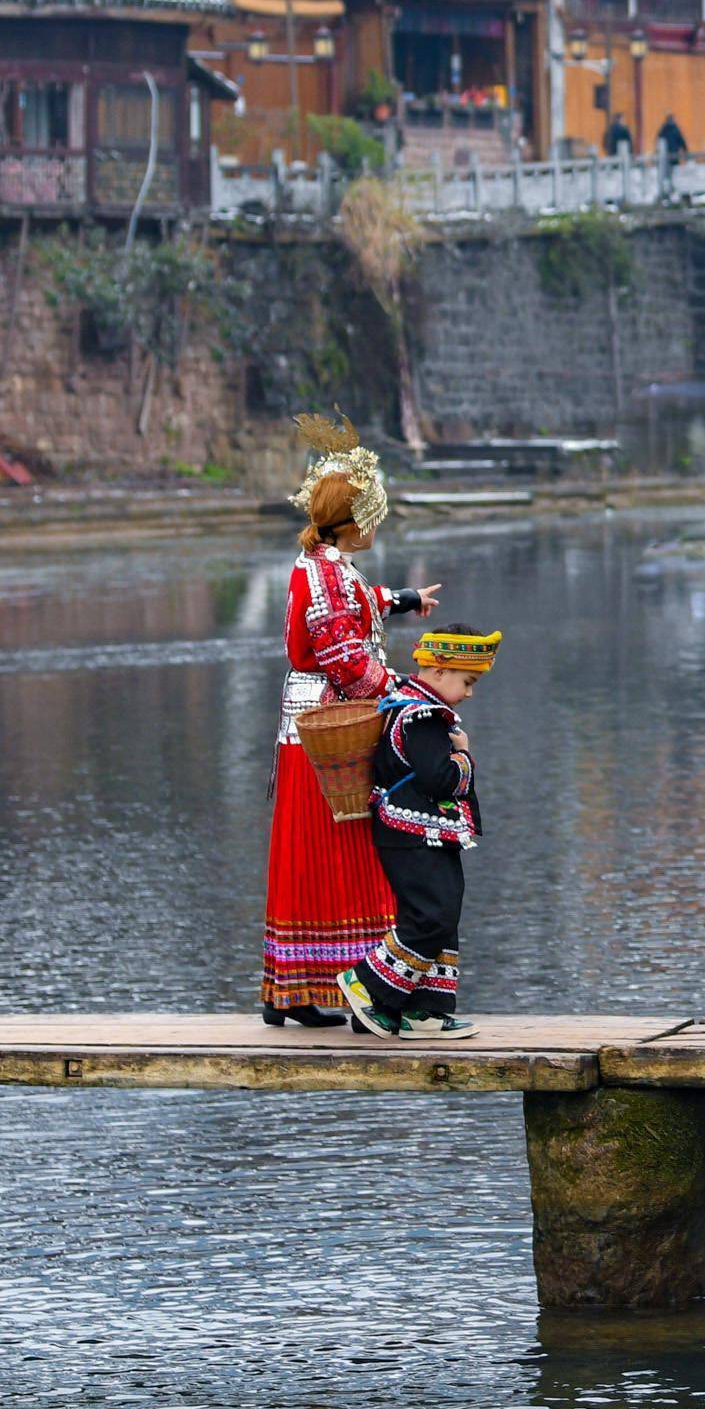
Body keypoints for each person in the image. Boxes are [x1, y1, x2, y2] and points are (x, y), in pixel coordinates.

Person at [261, 418, 436, 1027]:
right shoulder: (327, 572)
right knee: (335, 846)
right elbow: (342, 651)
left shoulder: (317, 563)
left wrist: (405, 599)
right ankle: (327, 983)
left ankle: (289, 989)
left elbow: (358, 602)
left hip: (308, 721)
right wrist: (401, 696)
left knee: (306, 849)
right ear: (353, 519)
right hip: (329, 724)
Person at [338, 623, 500, 1039]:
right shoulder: (423, 716)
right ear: (441, 671)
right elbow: (439, 779)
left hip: (421, 834)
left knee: (441, 914)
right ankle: (367, 985)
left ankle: (424, 1010)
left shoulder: (409, 705)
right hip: (411, 836)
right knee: (432, 915)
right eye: (468, 681)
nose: (469, 693)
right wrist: (464, 757)